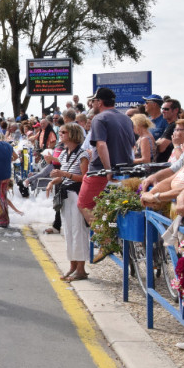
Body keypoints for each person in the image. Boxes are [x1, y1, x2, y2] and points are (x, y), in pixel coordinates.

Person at [79, 88, 135, 261]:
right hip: (125, 169)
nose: (92, 104)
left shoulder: (99, 118)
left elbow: (101, 145)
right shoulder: (126, 118)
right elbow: (131, 145)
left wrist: (108, 169)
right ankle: (111, 233)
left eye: (94, 101)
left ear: (99, 102)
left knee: (84, 204)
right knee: (106, 207)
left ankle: (106, 242)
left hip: (101, 171)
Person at [45, 123, 90, 281]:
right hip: (66, 195)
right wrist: (53, 182)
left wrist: (63, 174)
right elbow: (64, 175)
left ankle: (81, 269)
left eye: (64, 132)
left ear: (72, 134)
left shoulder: (82, 154)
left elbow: (84, 178)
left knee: (78, 231)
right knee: (69, 232)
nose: (61, 134)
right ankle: (73, 265)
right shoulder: (64, 154)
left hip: (77, 195)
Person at [155, 98, 181, 162]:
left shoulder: (175, 126)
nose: (163, 111)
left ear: (176, 110)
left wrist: (152, 143)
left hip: (167, 164)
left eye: (166, 109)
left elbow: (161, 147)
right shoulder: (170, 125)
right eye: (162, 109)